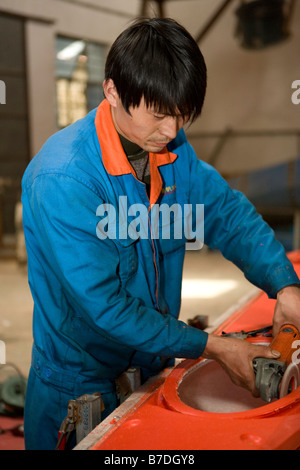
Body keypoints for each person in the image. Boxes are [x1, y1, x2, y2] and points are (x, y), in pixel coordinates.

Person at [22, 17, 300, 450]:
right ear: (112, 90)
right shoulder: (64, 179)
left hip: (153, 368)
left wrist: (284, 285)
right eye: (159, 114)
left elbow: (225, 212)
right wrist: (212, 347)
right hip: (77, 387)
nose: (171, 131)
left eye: (180, 114)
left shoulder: (170, 150)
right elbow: (107, 308)